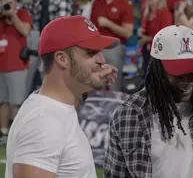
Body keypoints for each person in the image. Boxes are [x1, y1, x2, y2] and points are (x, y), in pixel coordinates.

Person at [104, 25, 193, 177]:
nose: (187, 80)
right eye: (179, 73)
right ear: (157, 69)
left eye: (192, 72)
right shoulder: (128, 116)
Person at [5, 15, 119, 178]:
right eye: (91, 52)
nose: (102, 60)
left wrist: (92, 81)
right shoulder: (43, 122)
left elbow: (69, 99)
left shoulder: (53, 106)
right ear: (62, 59)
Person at [23, 0, 75, 98]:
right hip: (43, 48)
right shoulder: (41, 2)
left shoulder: (62, 0)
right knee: (45, 87)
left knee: (56, 89)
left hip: (57, 50)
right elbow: (36, 25)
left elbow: (63, 28)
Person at [0, 0, 32, 143]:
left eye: (10, 2)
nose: (7, 5)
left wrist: (12, 15)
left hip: (17, 65)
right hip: (1, 65)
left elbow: (25, 30)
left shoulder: (23, 13)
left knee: (17, 102)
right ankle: (4, 133)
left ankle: (17, 135)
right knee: (2, 101)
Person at [90, 0, 134, 91]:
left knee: (113, 84)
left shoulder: (124, 4)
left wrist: (108, 23)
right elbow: (90, 27)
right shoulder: (97, 3)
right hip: (96, 48)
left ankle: (115, 105)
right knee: (96, 84)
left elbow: (128, 33)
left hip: (114, 48)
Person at [139, 0, 173, 75]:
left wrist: (148, 39)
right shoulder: (148, 13)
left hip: (160, 53)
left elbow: (166, 36)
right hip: (147, 51)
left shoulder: (165, 13)